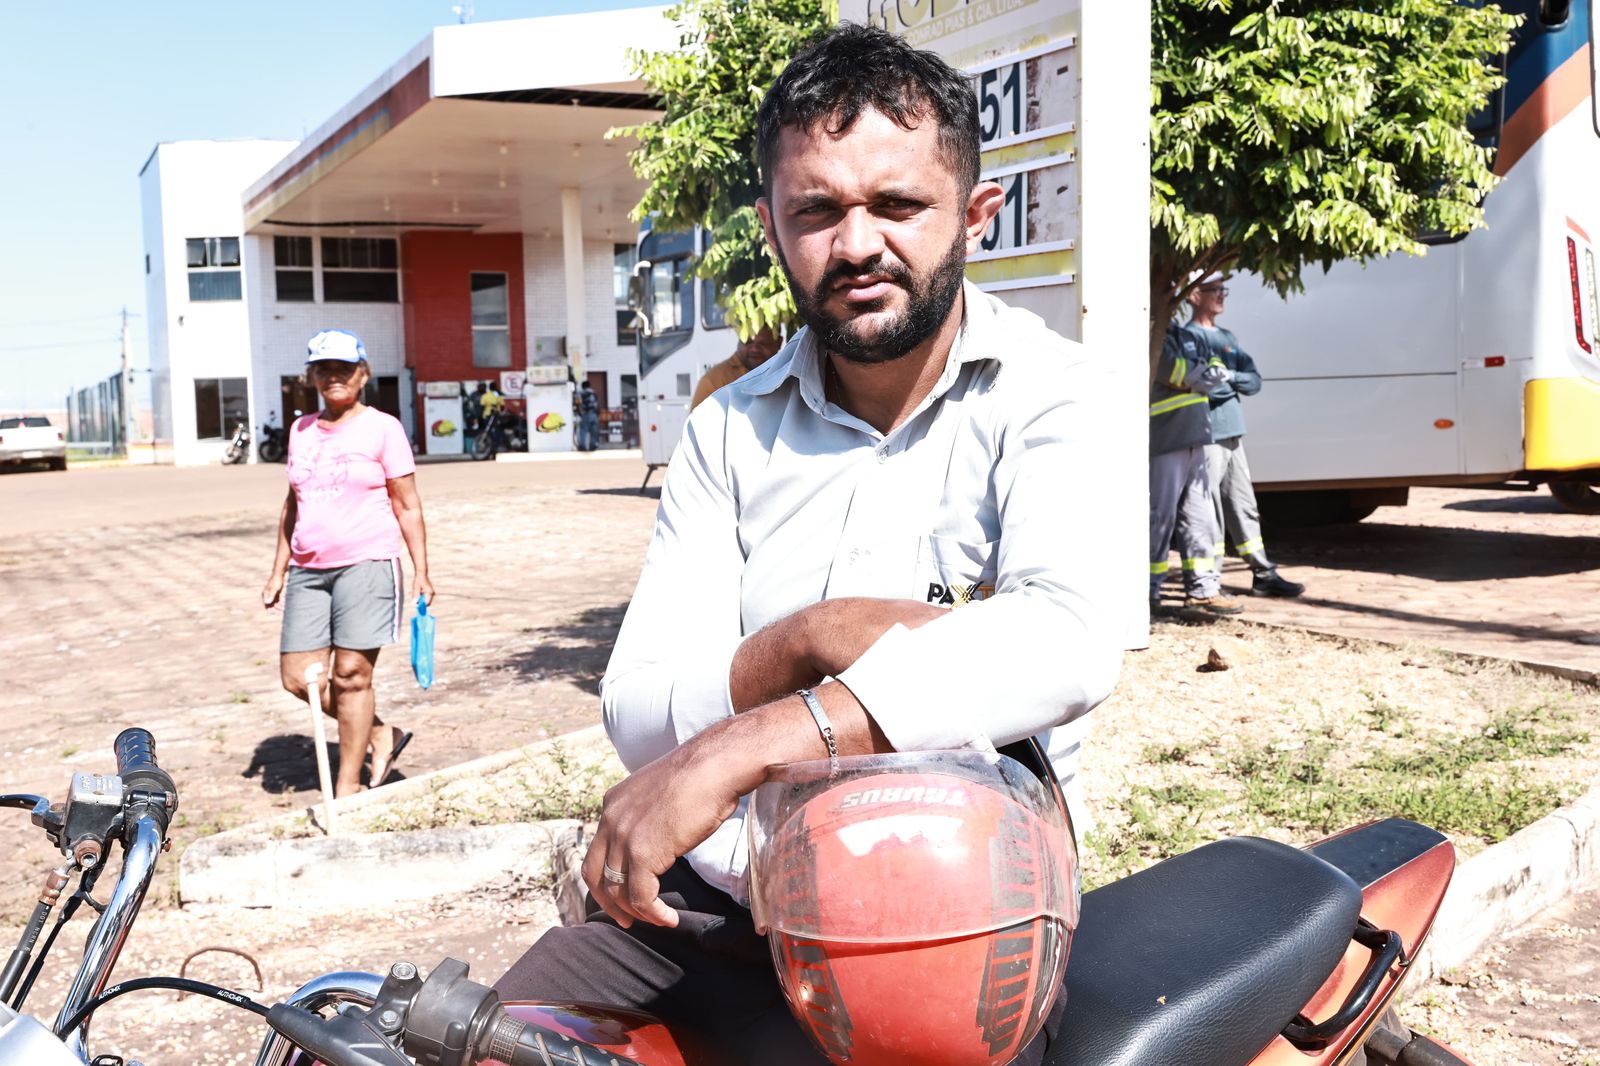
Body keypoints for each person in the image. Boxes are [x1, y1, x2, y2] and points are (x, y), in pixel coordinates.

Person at [494, 24, 1122, 1064]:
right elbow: (637, 703)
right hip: (710, 911)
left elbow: (1065, 642)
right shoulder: (728, 427)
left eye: (897, 205)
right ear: (773, 228)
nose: (859, 242)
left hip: (947, 914)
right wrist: (811, 641)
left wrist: (745, 740)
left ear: (974, 214)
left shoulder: (1055, 397)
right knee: (464, 1038)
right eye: (818, 211)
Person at [261, 329, 434, 796]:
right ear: (312, 376)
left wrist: (421, 570)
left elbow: (407, 504)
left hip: (368, 563)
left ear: (364, 373)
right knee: (297, 678)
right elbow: (291, 504)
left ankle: (348, 785)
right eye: (323, 369)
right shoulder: (300, 431)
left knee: (351, 677)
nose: (334, 376)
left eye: (344, 368)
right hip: (308, 570)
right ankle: (380, 733)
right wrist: (278, 569)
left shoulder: (383, 427)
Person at [1181, 278, 1305, 598]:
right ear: (1195, 296)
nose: (1222, 296)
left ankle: (1263, 573)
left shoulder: (1227, 338)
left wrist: (1229, 375)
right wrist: (1225, 381)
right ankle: (1208, 581)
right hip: (1206, 435)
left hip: (1233, 434)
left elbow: (1253, 381)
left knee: (1244, 505)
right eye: (1215, 291)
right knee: (1208, 510)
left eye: (1225, 291)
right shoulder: (1187, 338)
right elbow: (1205, 385)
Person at [1149, 323, 1247, 617]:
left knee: (1200, 520)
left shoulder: (1187, 335)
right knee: (1158, 519)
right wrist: (1198, 373)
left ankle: (1203, 591)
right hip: (1165, 440)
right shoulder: (1152, 334)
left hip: (1197, 438)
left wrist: (1196, 374)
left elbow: (1215, 369)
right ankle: (1147, 592)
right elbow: (1173, 372)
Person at [690, 326, 783, 409]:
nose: (754, 348)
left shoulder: (788, 373)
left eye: (763, 343)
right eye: (748, 342)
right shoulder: (712, 380)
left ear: (779, 343)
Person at [576, 380, 600, 451]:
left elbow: (578, 403)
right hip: (594, 414)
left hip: (586, 414)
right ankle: (592, 445)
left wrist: (579, 412)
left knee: (583, 429)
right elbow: (598, 404)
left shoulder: (581, 393)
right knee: (594, 430)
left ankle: (582, 446)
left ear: (583, 386)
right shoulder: (594, 393)